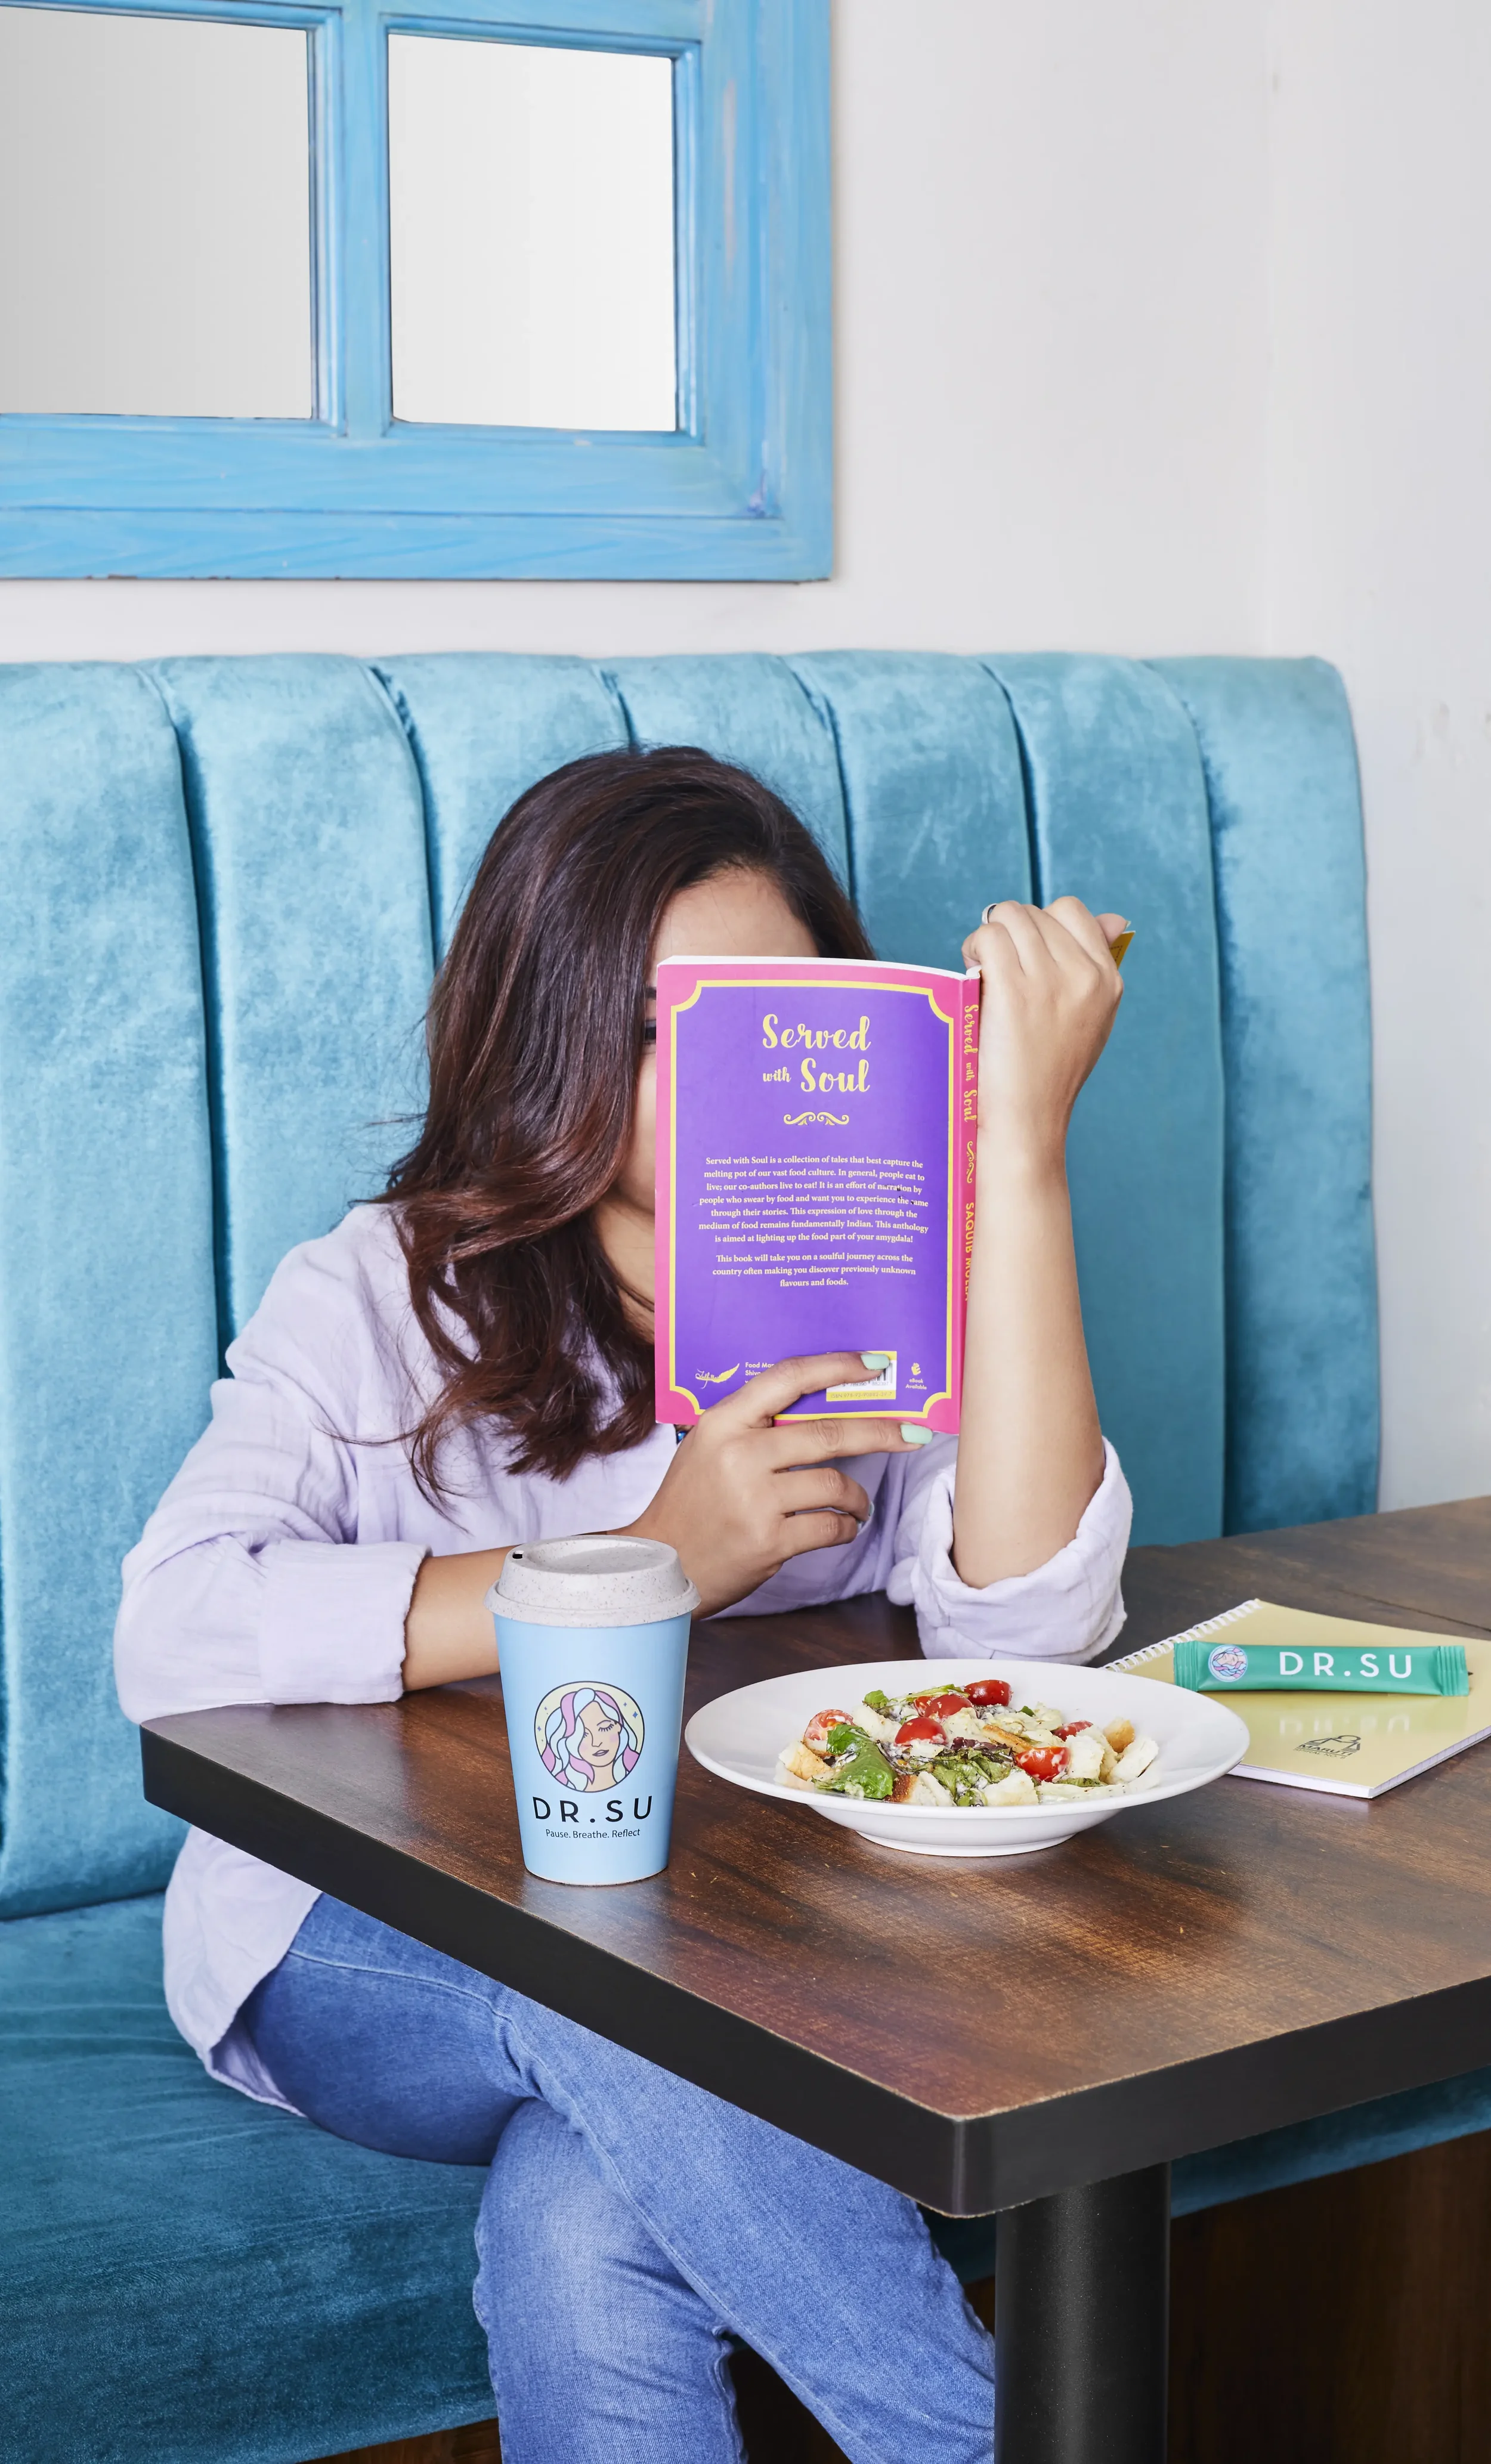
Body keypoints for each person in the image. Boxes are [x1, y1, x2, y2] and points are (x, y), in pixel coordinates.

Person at [115, 747, 1133, 2464]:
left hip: (729, 1959)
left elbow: (1026, 1644)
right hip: (353, 1947)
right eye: (674, 1026)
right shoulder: (382, 1291)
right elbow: (176, 1626)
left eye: (788, 1016)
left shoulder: (887, 1290)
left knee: (588, 2193)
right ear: (554, 1035)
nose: (743, 1077)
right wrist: (651, 1556)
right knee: (612, 1994)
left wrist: (1014, 1163)